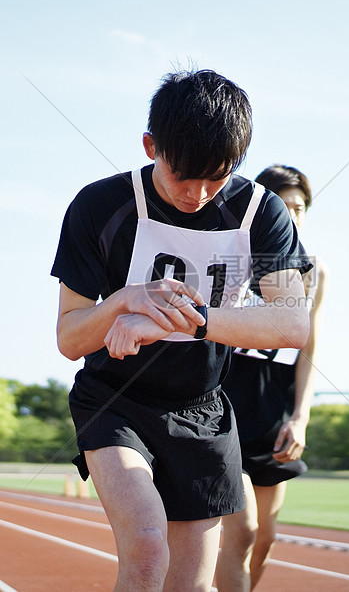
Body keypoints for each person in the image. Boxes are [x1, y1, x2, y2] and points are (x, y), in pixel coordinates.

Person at [51, 71, 313, 592]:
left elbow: (291, 322)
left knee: (191, 585)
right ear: (151, 146)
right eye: (182, 177)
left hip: (202, 406)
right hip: (115, 399)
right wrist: (123, 302)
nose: (197, 194)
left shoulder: (262, 213)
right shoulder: (100, 206)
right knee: (148, 547)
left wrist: (177, 321)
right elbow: (70, 337)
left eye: (215, 178)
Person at [216, 164, 328, 592]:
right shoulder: (234, 260)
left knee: (266, 537)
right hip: (225, 406)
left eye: (299, 207)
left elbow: (309, 350)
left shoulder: (316, 272)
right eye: (281, 206)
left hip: (273, 411)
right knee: (241, 531)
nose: (291, 215)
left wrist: (300, 417)